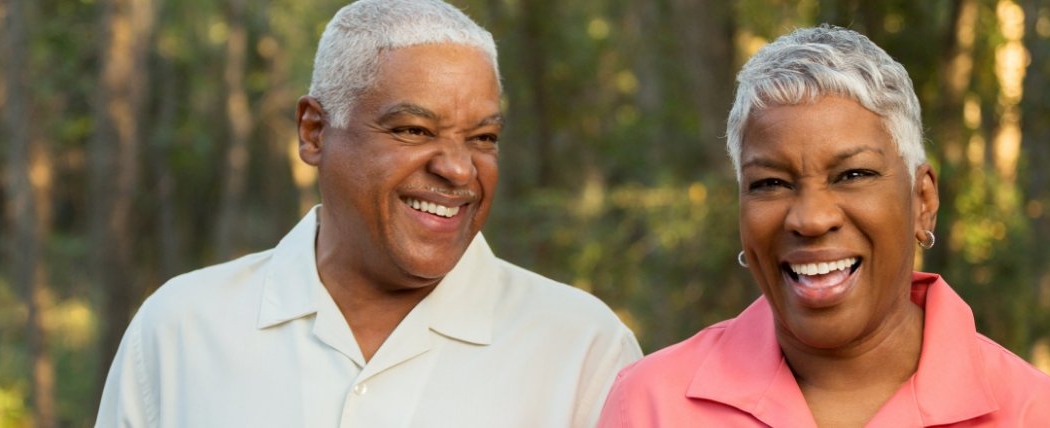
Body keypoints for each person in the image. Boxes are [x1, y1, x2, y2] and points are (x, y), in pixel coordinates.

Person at [95, 0, 641, 426]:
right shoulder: (182, 330)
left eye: (483, 137)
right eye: (412, 130)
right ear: (314, 132)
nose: (457, 169)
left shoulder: (582, 349)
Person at [596, 26, 1050, 427]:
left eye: (853, 175)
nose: (810, 218)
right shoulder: (649, 405)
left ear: (923, 201)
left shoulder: (1032, 413)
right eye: (770, 183)